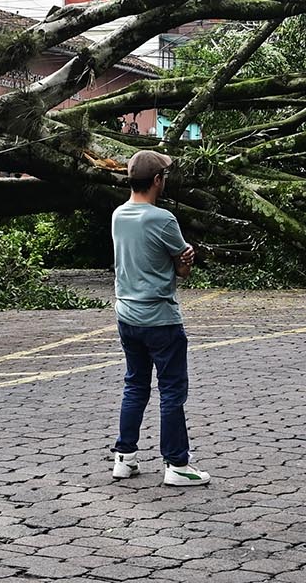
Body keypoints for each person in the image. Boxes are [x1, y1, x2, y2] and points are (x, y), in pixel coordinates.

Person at [109, 150, 209, 487]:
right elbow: (182, 270)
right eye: (163, 176)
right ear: (156, 181)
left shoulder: (118, 216)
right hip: (160, 318)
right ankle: (177, 464)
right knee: (171, 391)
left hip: (127, 316)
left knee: (135, 385)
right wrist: (187, 258)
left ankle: (124, 458)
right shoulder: (162, 219)